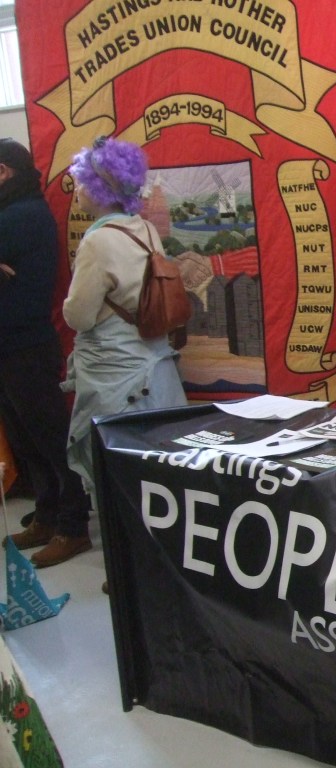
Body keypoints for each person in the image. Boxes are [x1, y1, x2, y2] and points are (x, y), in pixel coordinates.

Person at [60, 136, 187, 517]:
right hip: (155, 369)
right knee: (155, 468)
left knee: (116, 472)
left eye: (82, 183)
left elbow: (79, 316)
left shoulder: (97, 242)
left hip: (114, 375)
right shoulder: (144, 229)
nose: (78, 191)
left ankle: (122, 550)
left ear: (99, 189)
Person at [0, 138, 93, 568]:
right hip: (11, 346)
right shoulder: (15, 210)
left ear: (4, 172)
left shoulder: (22, 215)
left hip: (27, 347)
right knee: (26, 440)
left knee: (50, 440)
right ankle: (46, 514)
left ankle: (73, 527)